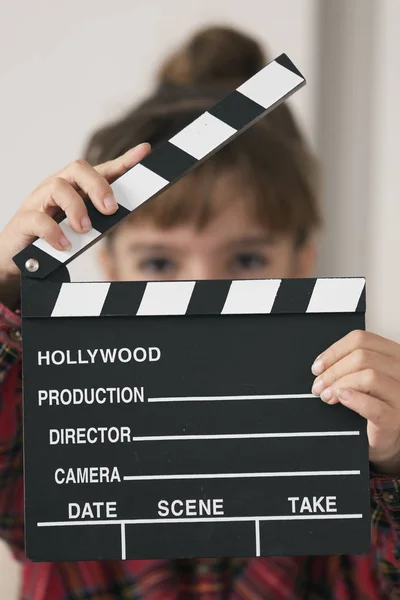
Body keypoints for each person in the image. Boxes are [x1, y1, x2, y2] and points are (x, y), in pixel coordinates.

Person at [1, 25, 400, 600]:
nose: (204, 289)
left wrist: (395, 461)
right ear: (109, 266)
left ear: (302, 262)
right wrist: (7, 285)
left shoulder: (359, 419)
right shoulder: (56, 406)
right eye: (159, 261)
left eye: (245, 257)